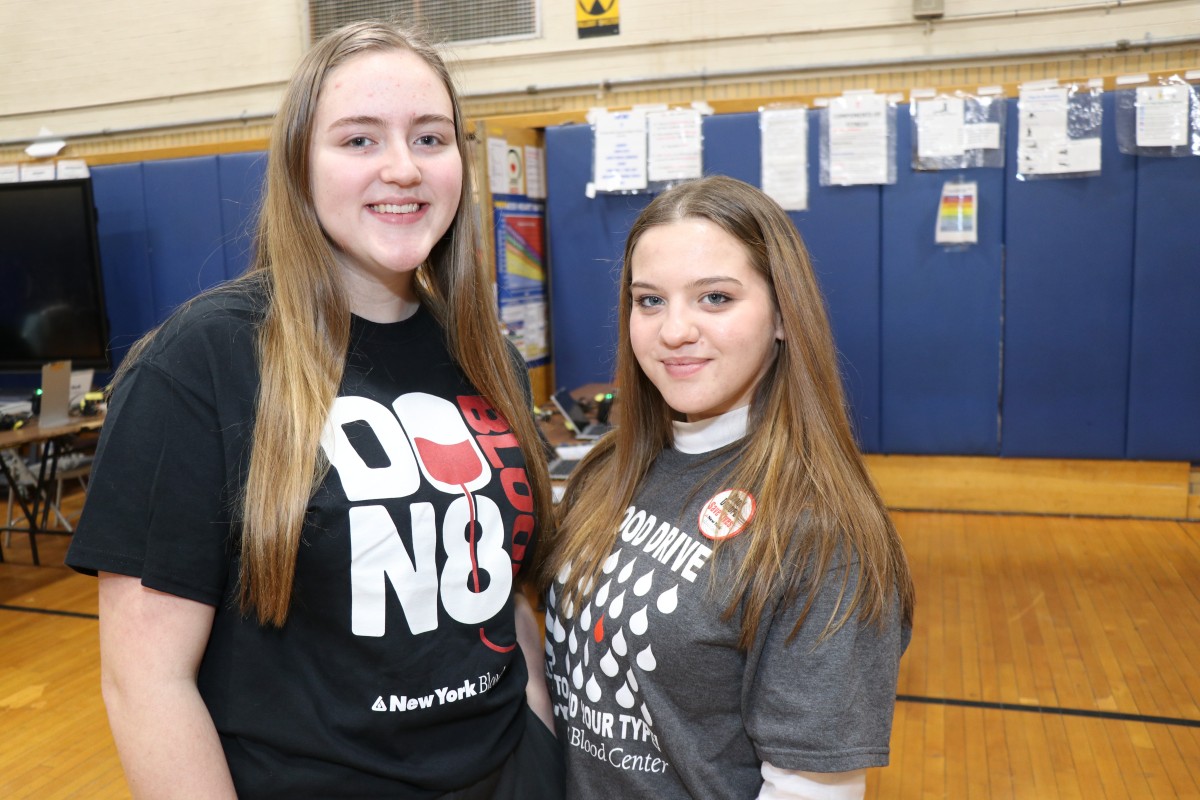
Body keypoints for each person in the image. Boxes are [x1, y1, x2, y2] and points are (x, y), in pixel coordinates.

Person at [66, 20, 562, 800]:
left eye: (430, 139)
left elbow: (507, 588)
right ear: (300, 165)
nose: (403, 169)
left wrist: (541, 740)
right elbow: (146, 684)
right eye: (359, 140)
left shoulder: (483, 350)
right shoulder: (201, 363)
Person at [542, 175, 915, 799]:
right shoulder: (608, 470)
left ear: (784, 316)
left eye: (714, 298)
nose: (674, 331)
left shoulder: (823, 534)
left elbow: (812, 790)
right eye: (650, 300)